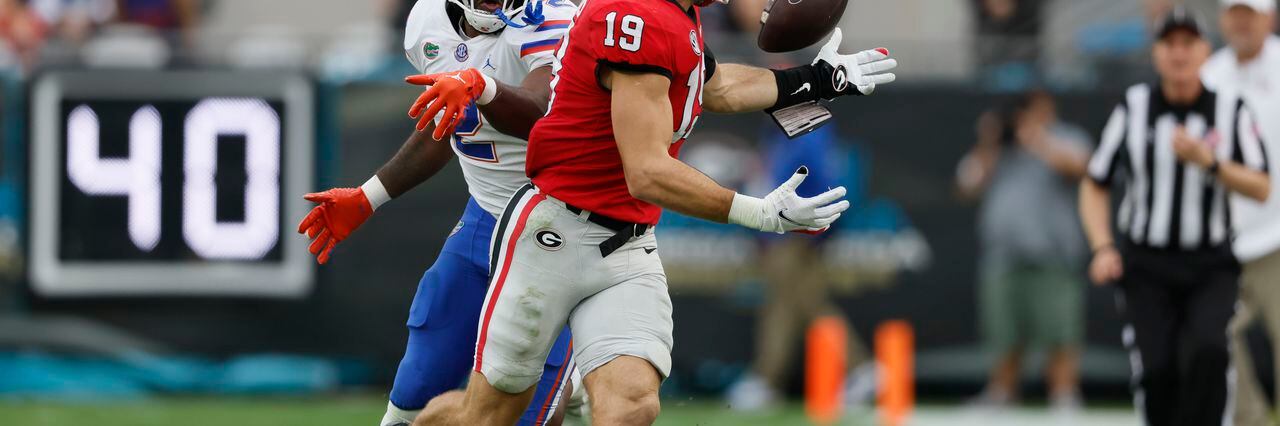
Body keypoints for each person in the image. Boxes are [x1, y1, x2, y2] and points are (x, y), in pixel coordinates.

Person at [409, 0, 897, 420]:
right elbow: (646, 170)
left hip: (628, 245)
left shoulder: (676, 14)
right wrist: (761, 213)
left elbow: (716, 85)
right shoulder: (634, 16)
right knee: (488, 416)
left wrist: (813, 80)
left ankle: (575, 390)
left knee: (633, 407)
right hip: (554, 233)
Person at [295, 0, 579, 425]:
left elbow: (541, 113)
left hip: (557, 227)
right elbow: (446, 124)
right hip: (484, 216)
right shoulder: (427, 22)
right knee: (417, 384)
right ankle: (571, 394)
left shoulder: (555, 20)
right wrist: (368, 196)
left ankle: (573, 393)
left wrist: (480, 85)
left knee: (518, 413)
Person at [1079, 7, 1271, 425]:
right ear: (1156, 53)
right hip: (1148, 263)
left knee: (1210, 351)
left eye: (1188, 44)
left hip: (1210, 262)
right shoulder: (1133, 108)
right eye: (1170, 44)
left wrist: (1211, 163)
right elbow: (1095, 182)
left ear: (1205, 51)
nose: (1179, 53)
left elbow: (1261, 185)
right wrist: (1102, 246)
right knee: (1158, 367)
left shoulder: (1231, 110)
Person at [956, 91, 1090, 413]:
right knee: (1003, 330)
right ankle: (1002, 393)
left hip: (1053, 254)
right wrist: (989, 143)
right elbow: (966, 186)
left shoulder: (1067, 137)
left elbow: (1081, 167)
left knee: (1060, 330)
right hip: (1003, 256)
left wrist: (1037, 139)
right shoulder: (998, 147)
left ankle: (1064, 396)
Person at [1201, 0, 1280, 423]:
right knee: (1215, 345)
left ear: (1270, 17)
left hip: (1279, 238)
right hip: (1225, 242)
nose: (1242, 22)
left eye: (1250, 12)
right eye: (1234, 12)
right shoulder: (1209, 76)